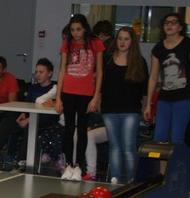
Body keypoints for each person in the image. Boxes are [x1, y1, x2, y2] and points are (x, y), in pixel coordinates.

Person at [0, 58, 56, 169]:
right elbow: (27, 105)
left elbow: (50, 112)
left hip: (45, 121)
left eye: (41, 72)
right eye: (36, 72)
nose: (38, 75)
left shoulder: (54, 89)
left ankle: (22, 161)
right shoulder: (33, 88)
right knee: (7, 122)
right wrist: (23, 114)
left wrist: (29, 120)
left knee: (30, 127)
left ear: (49, 73)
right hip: (29, 118)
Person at [54, 13, 105, 182]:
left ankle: (78, 165)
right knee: (69, 129)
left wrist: (96, 97)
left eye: (78, 29)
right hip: (68, 91)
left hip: (86, 93)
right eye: (73, 30)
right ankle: (68, 164)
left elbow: (99, 72)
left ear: (85, 29)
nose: (75, 33)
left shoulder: (95, 43)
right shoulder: (67, 44)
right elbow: (62, 70)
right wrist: (58, 97)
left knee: (82, 130)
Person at [101, 26, 148, 184]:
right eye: (120, 38)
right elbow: (101, 84)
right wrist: (98, 100)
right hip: (109, 109)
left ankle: (132, 180)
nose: (122, 42)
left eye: (126, 39)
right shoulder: (108, 59)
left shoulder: (139, 62)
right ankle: (115, 178)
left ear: (132, 42)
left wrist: (146, 107)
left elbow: (145, 89)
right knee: (114, 146)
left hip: (131, 110)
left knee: (128, 147)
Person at [143, 12, 190, 146]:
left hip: (184, 97)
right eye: (166, 23)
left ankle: (178, 161)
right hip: (164, 98)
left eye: (173, 22)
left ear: (180, 27)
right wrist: (148, 104)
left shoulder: (187, 44)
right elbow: (153, 77)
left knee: (177, 137)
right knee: (159, 137)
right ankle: (161, 161)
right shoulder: (158, 48)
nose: (169, 25)